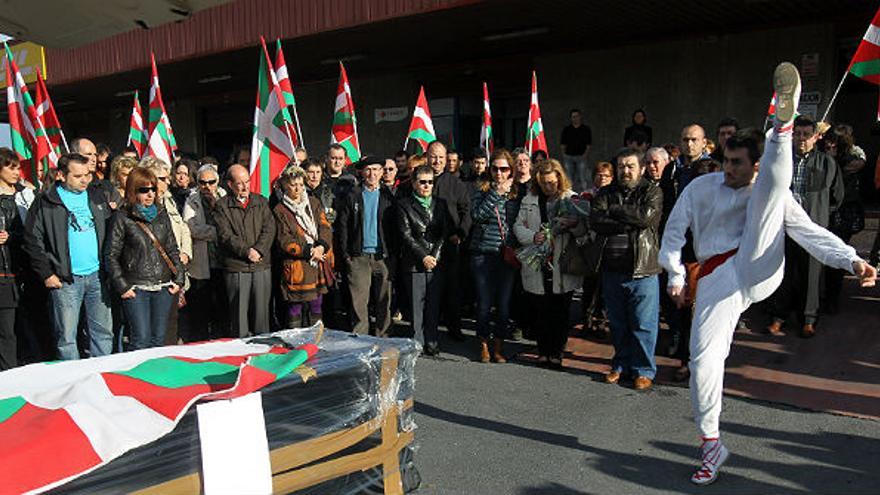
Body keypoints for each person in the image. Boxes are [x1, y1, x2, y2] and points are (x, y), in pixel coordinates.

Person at [659, 63, 876, 485]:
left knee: (769, 199)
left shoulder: (767, 190)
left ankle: (783, 128)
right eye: (726, 161)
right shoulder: (700, 188)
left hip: (759, 267)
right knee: (703, 361)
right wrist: (674, 275)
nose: (729, 169)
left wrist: (852, 260)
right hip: (719, 279)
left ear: (756, 163)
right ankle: (711, 443)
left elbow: (813, 235)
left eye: (738, 163)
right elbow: (672, 233)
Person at [24, 153, 114, 360]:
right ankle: (73, 383)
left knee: (103, 333)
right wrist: (47, 274)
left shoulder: (96, 196)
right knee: (66, 338)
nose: (84, 180)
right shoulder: (46, 201)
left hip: (97, 276)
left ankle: (102, 378)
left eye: (88, 175)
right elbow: (32, 240)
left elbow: (111, 233)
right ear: (61, 176)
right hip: (65, 280)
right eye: (78, 176)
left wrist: (110, 268)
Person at [591, 149, 663, 390]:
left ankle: (643, 369)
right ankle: (621, 364)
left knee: (643, 323)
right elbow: (596, 221)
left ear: (641, 168)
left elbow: (647, 218)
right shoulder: (606, 192)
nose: (625, 171)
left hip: (642, 270)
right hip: (612, 269)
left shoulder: (651, 191)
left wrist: (615, 211)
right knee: (618, 322)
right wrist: (626, 219)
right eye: (621, 166)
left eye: (631, 166)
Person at [767, 115, 844, 337]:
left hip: (811, 226)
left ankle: (808, 318)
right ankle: (778, 315)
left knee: (811, 273)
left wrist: (819, 215)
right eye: (797, 134)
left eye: (806, 134)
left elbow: (836, 196)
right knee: (783, 271)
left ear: (816, 137)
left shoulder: (827, 162)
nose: (801, 138)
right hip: (783, 225)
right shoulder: (782, 160)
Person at [105, 167, 184, 350]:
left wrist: (179, 278)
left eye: (153, 189)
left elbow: (172, 247)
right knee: (140, 339)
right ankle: (137, 377)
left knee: (159, 339)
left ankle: (155, 377)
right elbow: (111, 254)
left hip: (163, 285)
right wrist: (123, 286)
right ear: (133, 191)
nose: (150, 194)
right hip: (136, 286)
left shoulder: (161, 213)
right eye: (143, 190)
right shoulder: (122, 217)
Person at [514, 159, 583, 368]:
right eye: (544, 183)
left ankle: (556, 352)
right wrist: (532, 236)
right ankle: (543, 351)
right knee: (541, 310)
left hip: (562, 262)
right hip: (538, 261)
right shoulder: (529, 199)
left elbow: (583, 232)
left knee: (560, 311)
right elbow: (517, 226)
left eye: (552, 183)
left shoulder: (571, 199)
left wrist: (573, 225)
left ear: (560, 179)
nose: (548, 187)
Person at [214, 164, 276, 337]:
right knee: (239, 316)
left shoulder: (261, 201)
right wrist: (246, 251)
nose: (245, 186)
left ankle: (263, 352)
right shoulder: (222, 206)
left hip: (261, 265)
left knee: (261, 316)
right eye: (240, 183)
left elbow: (269, 228)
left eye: (247, 181)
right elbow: (225, 235)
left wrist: (259, 249)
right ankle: (240, 351)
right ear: (230, 184)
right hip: (237, 267)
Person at [336, 156, 396, 336]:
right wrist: (346, 254)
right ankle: (360, 338)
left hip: (382, 256)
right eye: (368, 170)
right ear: (362, 172)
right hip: (358, 256)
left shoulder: (389, 196)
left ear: (381, 172)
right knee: (358, 302)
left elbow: (395, 227)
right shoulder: (352, 195)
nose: (372, 174)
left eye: (376, 169)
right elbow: (343, 226)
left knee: (384, 300)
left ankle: (383, 336)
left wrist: (393, 253)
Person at [469, 150, 518, 363]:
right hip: (482, 252)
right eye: (495, 168)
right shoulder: (482, 188)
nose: (499, 173)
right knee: (484, 302)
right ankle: (483, 343)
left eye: (504, 169)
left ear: (511, 171)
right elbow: (477, 216)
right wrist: (496, 193)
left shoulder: (517, 192)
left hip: (506, 254)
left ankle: (499, 344)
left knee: (504, 304)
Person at [139, 156, 193, 345]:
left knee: (171, 326)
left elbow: (183, 227)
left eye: (166, 178)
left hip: (174, 271)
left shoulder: (168, 201)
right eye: (162, 178)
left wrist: (185, 252)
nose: (167, 182)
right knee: (153, 332)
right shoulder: (139, 206)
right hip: (153, 276)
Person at [397, 165, 449, 355]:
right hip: (414, 262)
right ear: (414, 183)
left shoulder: (441, 204)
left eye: (430, 182)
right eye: (423, 182)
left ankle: (432, 339)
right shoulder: (403, 204)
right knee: (416, 306)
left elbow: (444, 233)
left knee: (433, 304)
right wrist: (423, 256)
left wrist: (433, 256)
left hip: (436, 261)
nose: (427, 186)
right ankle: (417, 342)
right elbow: (405, 235)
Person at [273, 165, 333, 327]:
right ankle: (296, 343)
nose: (298, 188)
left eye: (300, 184)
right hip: (297, 265)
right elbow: (284, 240)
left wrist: (321, 246)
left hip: (317, 262)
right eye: (293, 184)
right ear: (286, 185)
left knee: (316, 304)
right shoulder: (280, 209)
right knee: (295, 307)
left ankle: (315, 341)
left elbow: (325, 226)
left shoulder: (313, 203)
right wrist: (309, 251)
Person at [427, 141, 471, 342]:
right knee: (428, 292)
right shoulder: (420, 179)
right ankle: (428, 330)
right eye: (433, 156)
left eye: (441, 158)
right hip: (426, 246)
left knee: (452, 289)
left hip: (450, 245)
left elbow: (466, 212)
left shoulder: (456, 184)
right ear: (427, 157)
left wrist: (460, 234)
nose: (436, 161)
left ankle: (454, 328)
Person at [824, 124, 867, 314]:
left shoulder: (854, 157)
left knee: (839, 255)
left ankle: (832, 298)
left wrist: (835, 160)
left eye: (835, 142)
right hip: (825, 209)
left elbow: (857, 163)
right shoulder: (823, 155)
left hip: (845, 212)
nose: (830, 144)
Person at [182, 164, 228, 341]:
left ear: (218, 182)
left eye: (211, 182)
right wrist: (218, 233)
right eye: (203, 182)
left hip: (223, 263)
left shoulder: (225, 197)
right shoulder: (191, 200)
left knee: (223, 310)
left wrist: (213, 231)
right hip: (201, 265)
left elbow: (231, 225)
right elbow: (192, 228)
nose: (207, 186)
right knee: (200, 312)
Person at [579, 163, 614, 335]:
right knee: (590, 287)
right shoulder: (586, 195)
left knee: (605, 288)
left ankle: (602, 320)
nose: (602, 179)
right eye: (599, 175)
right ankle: (587, 319)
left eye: (606, 176)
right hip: (590, 246)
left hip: (608, 247)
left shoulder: (614, 196)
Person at [0, 149, 26, 369]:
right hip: (3, 273)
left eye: (18, 167)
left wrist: (12, 236)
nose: (16, 172)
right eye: (11, 167)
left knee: (23, 326)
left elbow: (33, 231)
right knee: (6, 330)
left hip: (24, 269)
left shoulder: (26, 194)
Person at [71, 137, 122, 209]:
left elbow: (121, 214)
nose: (93, 159)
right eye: (89, 154)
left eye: (95, 155)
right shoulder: (66, 187)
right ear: (75, 155)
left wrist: (112, 210)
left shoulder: (107, 188)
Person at [560, 109, 593, 191]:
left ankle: (584, 194)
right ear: (571, 118)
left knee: (583, 177)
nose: (575, 118)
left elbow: (588, 144)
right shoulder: (567, 129)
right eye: (573, 117)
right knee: (568, 178)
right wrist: (564, 154)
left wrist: (585, 155)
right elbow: (563, 143)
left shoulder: (585, 129)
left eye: (577, 116)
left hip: (581, 156)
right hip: (569, 156)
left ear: (580, 117)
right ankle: (569, 194)